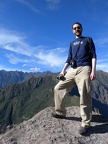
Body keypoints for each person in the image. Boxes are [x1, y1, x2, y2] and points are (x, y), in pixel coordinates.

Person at [52, 22, 97, 135]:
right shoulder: (72, 43)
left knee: (85, 94)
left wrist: (93, 71)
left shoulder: (88, 40)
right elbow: (69, 58)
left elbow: (93, 55)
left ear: (81, 29)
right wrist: (63, 71)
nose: (77, 29)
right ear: (72, 30)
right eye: (74, 28)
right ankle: (60, 112)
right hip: (72, 69)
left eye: (78, 28)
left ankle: (85, 123)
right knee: (58, 88)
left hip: (85, 68)